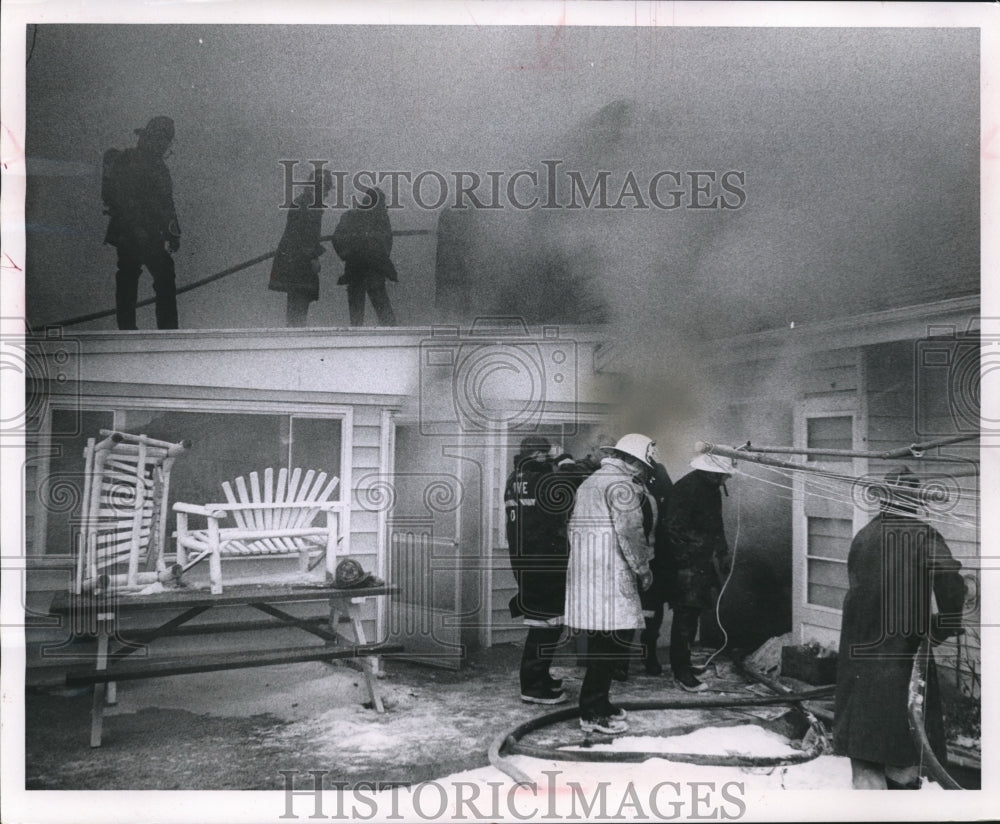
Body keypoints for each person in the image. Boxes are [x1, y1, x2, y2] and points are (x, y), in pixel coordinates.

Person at [833, 466, 965, 790]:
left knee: (866, 758)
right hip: (901, 664)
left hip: (860, 664)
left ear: (883, 500)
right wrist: (940, 628)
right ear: (915, 501)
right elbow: (953, 588)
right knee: (903, 754)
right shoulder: (924, 536)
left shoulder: (863, 537)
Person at [565, 433, 657, 734]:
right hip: (610, 574)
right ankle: (592, 713)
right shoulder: (622, 487)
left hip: (588, 574)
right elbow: (631, 533)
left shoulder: (591, 482)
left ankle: (599, 702)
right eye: (642, 465)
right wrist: (643, 569)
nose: (644, 471)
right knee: (610, 645)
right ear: (629, 461)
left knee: (601, 643)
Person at [102, 115, 182, 330]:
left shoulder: (159, 168)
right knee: (141, 274)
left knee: (142, 274)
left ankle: (156, 328)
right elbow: (122, 198)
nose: (163, 145)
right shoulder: (131, 162)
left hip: (144, 233)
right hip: (131, 232)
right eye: (162, 140)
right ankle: (151, 329)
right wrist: (141, 228)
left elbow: (167, 203)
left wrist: (173, 232)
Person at [504, 436, 568, 704]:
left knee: (544, 624)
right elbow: (567, 486)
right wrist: (565, 461)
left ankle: (540, 676)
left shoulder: (513, 478)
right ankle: (532, 686)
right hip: (544, 563)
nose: (548, 458)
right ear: (539, 455)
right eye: (545, 453)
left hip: (525, 562)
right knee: (546, 625)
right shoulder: (543, 481)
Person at [664, 452, 733, 692]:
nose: (726, 479)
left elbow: (716, 522)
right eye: (724, 474)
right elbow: (672, 527)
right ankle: (680, 671)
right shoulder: (687, 488)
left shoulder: (711, 489)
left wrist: (722, 552)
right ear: (712, 472)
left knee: (692, 615)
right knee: (685, 615)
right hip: (686, 565)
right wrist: (686, 561)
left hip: (700, 561)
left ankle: (683, 663)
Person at [269, 169, 333, 327]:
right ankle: (295, 338)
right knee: (299, 305)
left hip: (293, 261)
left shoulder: (304, 201)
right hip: (299, 263)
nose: (326, 194)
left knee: (295, 305)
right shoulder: (310, 205)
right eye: (325, 189)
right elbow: (304, 234)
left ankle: (293, 337)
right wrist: (313, 257)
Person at [332, 186, 398, 326]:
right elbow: (387, 243)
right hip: (373, 268)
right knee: (383, 311)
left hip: (356, 268)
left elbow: (337, 239)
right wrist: (379, 258)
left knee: (357, 313)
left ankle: (357, 340)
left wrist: (349, 254)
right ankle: (390, 337)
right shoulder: (380, 218)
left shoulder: (351, 216)